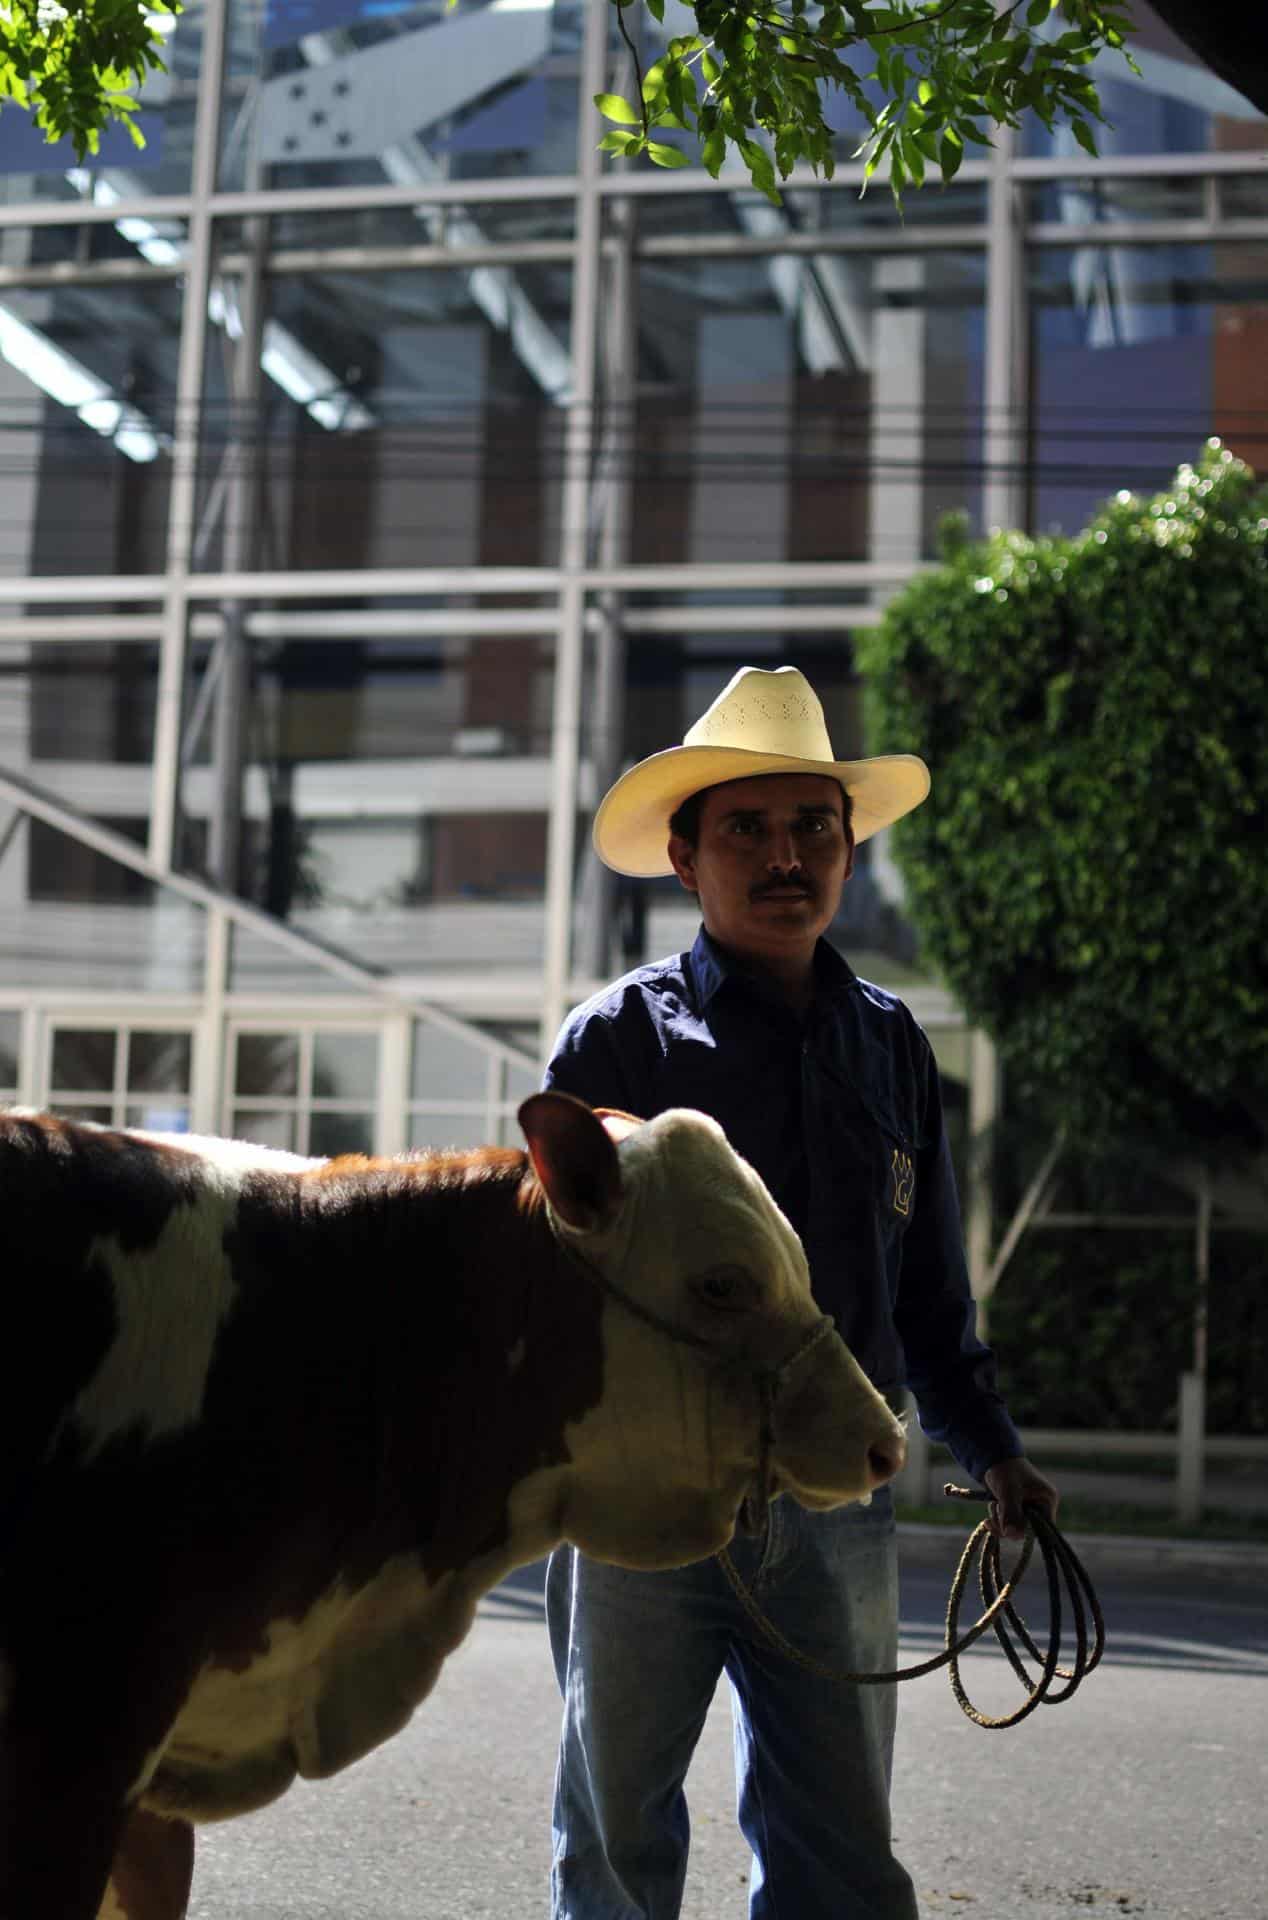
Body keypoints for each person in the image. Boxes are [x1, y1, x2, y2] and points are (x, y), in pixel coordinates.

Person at [542, 664, 1058, 1920]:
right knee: (613, 1848)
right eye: (748, 831)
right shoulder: (615, 1045)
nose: (787, 858)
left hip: (839, 1493)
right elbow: (550, 1299)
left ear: (845, 851)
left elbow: (926, 1289)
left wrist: (993, 1450)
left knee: (839, 1854)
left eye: (812, 829)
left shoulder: (890, 1043)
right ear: (683, 856)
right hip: (643, 1500)